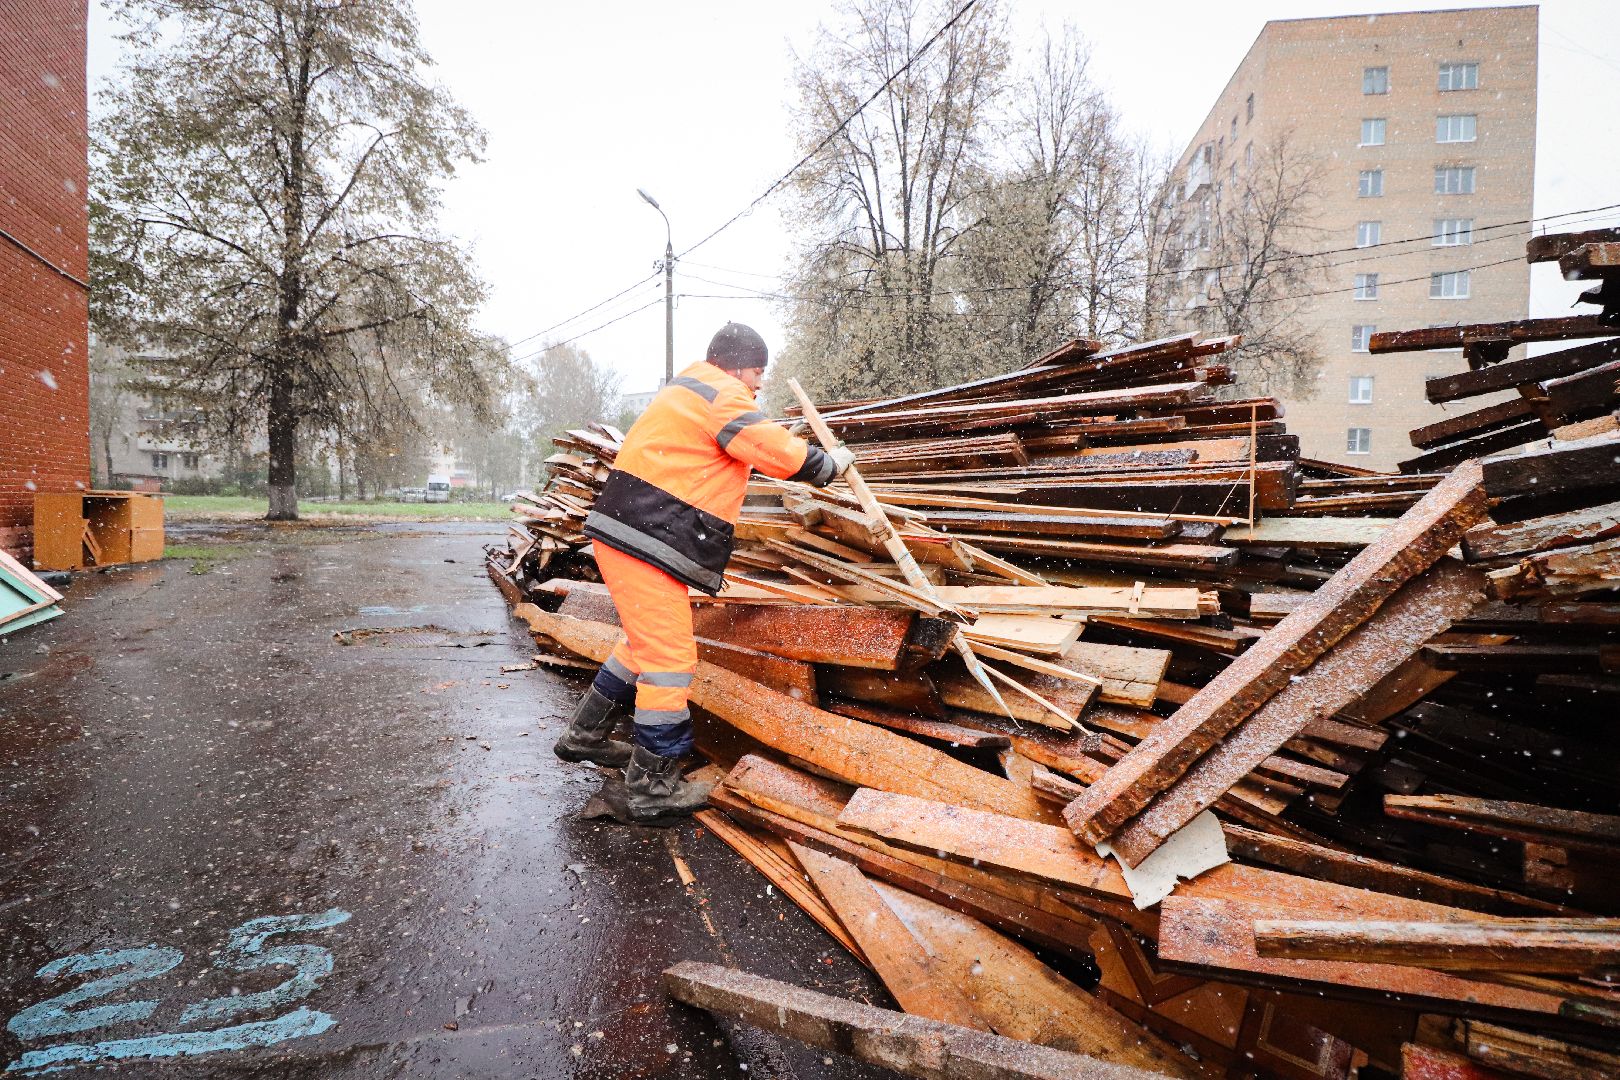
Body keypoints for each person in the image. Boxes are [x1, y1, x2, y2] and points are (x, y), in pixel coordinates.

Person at [553, 322, 855, 822]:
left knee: (642, 646)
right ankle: (651, 790)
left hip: (629, 533)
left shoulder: (688, 390)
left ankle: (584, 735)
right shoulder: (723, 394)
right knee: (671, 659)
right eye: (759, 372)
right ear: (740, 365)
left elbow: (738, 447)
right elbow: (770, 449)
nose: (759, 384)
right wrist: (825, 464)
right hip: (644, 540)